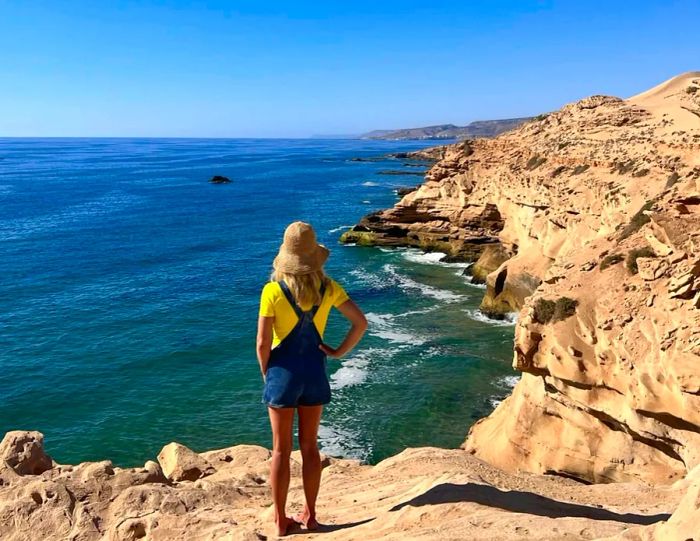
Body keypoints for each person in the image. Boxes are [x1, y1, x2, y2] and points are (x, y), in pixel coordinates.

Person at [256, 221, 367, 536]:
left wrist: (269, 374)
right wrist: (337, 352)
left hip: (282, 373)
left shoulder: (273, 291)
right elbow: (360, 323)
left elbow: (263, 344)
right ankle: (311, 515)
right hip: (314, 373)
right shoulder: (329, 288)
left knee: (280, 450)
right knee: (310, 447)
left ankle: (280, 520)